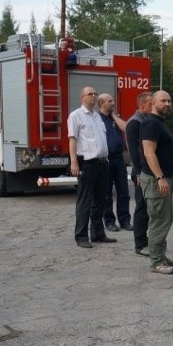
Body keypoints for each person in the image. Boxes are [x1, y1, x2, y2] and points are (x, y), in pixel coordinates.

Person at [68, 86, 115, 248]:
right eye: (90, 94)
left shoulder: (97, 117)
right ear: (82, 97)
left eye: (95, 94)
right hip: (87, 164)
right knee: (85, 201)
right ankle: (81, 237)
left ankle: (97, 234)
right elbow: (72, 140)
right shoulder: (76, 116)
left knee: (100, 201)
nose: (94, 96)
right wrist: (73, 161)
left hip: (103, 163)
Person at [140, 90, 173, 274]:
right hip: (157, 181)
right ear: (153, 103)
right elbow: (149, 153)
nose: (167, 103)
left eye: (169, 100)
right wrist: (160, 177)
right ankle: (156, 262)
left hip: (163, 179)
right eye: (163, 100)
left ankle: (160, 256)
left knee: (165, 219)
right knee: (159, 220)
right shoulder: (150, 123)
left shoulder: (159, 122)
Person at [97, 93, 132, 232]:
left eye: (112, 100)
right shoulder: (97, 119)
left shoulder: (114, 117)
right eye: (109, 101)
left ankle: (125, 220)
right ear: (101, 104)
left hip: (119, 159)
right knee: (107, 193)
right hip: (106, 160)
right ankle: (109, 221)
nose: (113, 103)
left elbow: (126, 128)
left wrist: (114, 116)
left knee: (123, 191)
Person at [126, 92, 153, 256]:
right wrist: (139, 173)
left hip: (146, 171)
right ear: (142, 105)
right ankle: (140, 244)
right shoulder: (135, 123)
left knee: (147, 208)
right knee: (141, 208)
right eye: (151, 103)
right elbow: (135, 152)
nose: (153, 106)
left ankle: (145, 239)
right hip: (140, 172)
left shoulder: (145, 121)